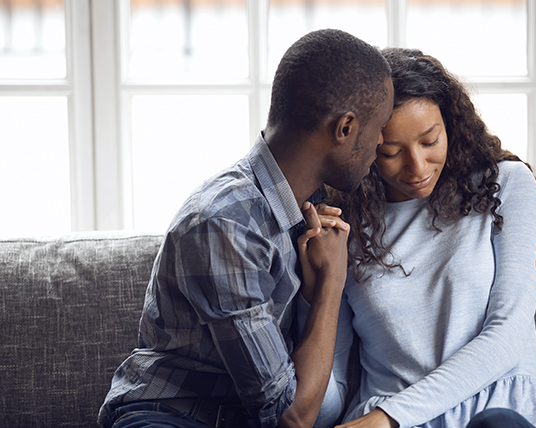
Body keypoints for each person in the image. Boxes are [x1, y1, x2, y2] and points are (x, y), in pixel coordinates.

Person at [97, 29, 394, 428]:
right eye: (380, 126)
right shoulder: (226, 222)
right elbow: (290, 417)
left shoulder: (307, 213)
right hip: (172, 417)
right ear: (344, 128)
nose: (381, 141)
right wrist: (330, 284)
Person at [308, 48, 536, 428]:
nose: (417, 167)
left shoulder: (505, 185)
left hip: (498, 409)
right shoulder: (343, 229)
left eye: (430, 141)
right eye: (391, 152)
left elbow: (509, 334)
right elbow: (327, 400)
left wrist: (387, 417)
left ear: (451, 124)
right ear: (361, 149)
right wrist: (319, 292)